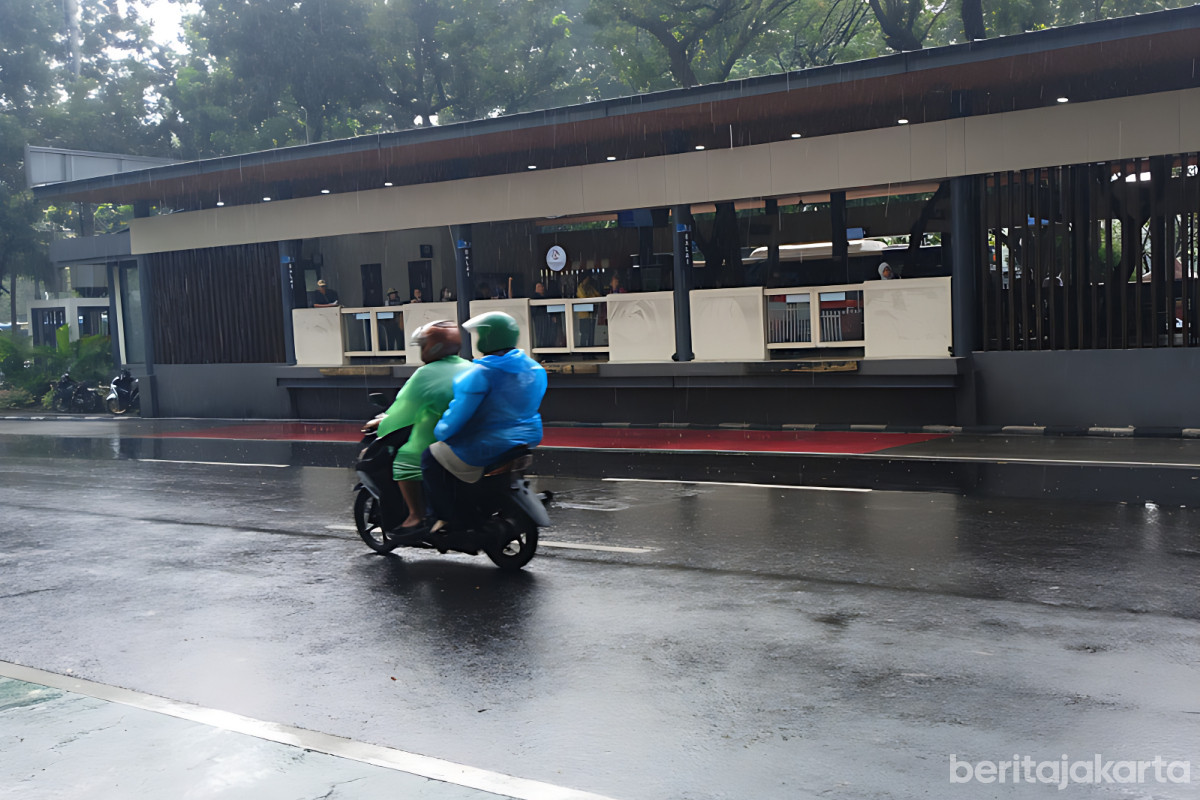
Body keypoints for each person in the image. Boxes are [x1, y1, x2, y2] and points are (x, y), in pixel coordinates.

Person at [422, 311, 547, 530]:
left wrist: (440, 431)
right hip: (527, 438)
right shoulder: (534, 368)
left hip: (487, 444)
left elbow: (457, 415)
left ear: (487, 337)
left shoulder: (479, 373)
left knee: (430, 456)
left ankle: (443, 517)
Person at [368, 321, 472, 539]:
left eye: (423, 345)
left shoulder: (425, 374)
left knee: (403, 459)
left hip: (437, 437)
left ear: (433, 347)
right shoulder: (470, 366)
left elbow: (404, 409)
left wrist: (382, 425)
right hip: (471, 437)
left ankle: (416, 515)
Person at [576, 274, 602, 347]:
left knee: (591, 333)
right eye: (587, 279)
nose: (588, 280)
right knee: (584, 334)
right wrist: (592, 298)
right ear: (583, 279)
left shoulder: (590, 288)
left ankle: (591, 352)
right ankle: (584, 353)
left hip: (592, 315)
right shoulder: (580, 288)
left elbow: (598, 295)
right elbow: (584, 298)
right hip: (583, 315)